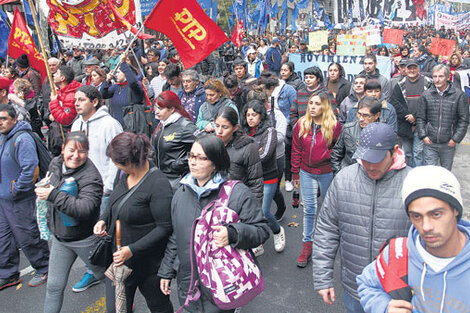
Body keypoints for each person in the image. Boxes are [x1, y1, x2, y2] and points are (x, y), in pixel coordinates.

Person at [158, 134, 270, 313]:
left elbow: (262, 230)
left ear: (216, 162)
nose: (193, 162)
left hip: (221, 284)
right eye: (191, 156)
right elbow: (176, 235)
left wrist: (233, 234)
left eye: (201, 158)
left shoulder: (236, 193)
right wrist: (167, 271)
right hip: (188, 283)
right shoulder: (181, 193)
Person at [312, 122, 411, 313]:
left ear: (395, 151)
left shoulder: (413, 184)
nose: (370, 166)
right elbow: (327, 229)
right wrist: (323, 278)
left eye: (378, 159)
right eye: (366, 159)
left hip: (397, 295)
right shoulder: (344, 180)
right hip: (355, 289)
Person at [357, 165, 470, 313]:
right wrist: (383, 306)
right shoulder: (399, 253)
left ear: (456, 210)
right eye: (416, 216)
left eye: (436, 214)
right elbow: (366, 283)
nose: (426, 226)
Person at [94, 132, 174, 313]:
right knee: (118, 308)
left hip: (149, 264)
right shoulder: (124, 175)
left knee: (159, 306)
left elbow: (165, 227)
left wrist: (132, 250)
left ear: (131, 162)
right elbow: (116, 200)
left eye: (121, 165)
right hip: (121, 261)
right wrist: (103, 220)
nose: (119, 169)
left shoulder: (158, 183)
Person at [35, 132, 105, 312]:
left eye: (82, 151)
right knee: (54, 287)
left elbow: (85, 209)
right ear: (62, 150)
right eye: (71, 150)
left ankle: (124, 302)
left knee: (109, 278)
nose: (76, 155)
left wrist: (52, 195)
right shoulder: (55, 163)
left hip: (86, 239)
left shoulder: (91, 176)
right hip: (61, 239)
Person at [70, 86, 123, 291]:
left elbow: (116, 158)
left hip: (103, 190)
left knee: (102, 234)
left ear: (94, 102)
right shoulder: (77, 124)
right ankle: (92, 270)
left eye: (81, 99)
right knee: (85, 232)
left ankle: (113, 274)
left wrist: (108, 187)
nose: (76, 103)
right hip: (81, 189)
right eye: (75, 99)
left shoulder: (110, 124)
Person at [0, 104, 49, 290]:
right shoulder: (3, 138)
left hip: (19, 198)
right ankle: (8, 274)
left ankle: (44, 267)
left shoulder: (22, 139)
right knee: (3, 238)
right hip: (3, 198)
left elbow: (30, 169)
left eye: (4, 118)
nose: (0, 122)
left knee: (27, 235)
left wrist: (16, 189)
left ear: (14, 119)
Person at [291, 92, 341, 267]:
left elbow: (339, 148)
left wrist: (327, 154)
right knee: (309, 210)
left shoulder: (334, 126)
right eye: (310, 103)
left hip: (326, 172)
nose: (312, 106)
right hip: (306, 172)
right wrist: (295, 174)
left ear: (325, 106)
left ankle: (327, 244)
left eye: (317, 104)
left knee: (328, 210)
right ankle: (307, 246)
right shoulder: (301, 124)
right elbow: (296, 150)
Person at [243, 100, 286, 253]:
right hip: (249, 177)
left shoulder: (270, 131)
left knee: (264, 211)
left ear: (261, 116)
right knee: (251, 211)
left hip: (268, 177)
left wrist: (247, 157)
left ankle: (277, 230)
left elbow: (266, 154)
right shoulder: (244, 132)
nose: (250, 118)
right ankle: (258, 241)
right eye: (248, 115)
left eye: (254, 115)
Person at [416, 64, 469, 170]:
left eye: (441, 76)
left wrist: (455, 138)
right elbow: (421, 117)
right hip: (430, 142)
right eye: (435, 76)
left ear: (448, 77)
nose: (437, 80)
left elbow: (464, 119)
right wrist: (423, 136)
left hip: (448, 143)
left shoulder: (458, 95)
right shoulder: (426, 95)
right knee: (430, 171)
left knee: (445, 172)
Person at [214, 106, 263, 202]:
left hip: (237, 201)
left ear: (235, 127)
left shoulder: (248, 148)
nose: (219, 131)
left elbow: (256, 183)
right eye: (216, 126)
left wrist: (254, 211)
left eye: (225, 127)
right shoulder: (210, 143)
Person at [390, 59, 433, 167]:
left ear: (419, 69)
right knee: (407, 153)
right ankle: (408, 172)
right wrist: (407, 116)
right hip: (405, 124)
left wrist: (416, 117)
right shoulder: (400, 85)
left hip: (422, 124)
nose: (412, 70)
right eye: (409, 68)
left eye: (414, 68)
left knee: (418, 153)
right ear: (405, 69)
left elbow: (431, 102)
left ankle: (417, 175)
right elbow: (395, 102)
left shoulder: (428, 82)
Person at [152, 91, 197, 190]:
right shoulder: (162, 124)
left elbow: (203, 147)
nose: (156, 111)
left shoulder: (185, 126)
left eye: (160, 108)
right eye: (156, 108)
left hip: (178, 180)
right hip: (161, 177)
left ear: (171, 109)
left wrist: (179, 164)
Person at [331, 96, 382, 175]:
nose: (361, 119)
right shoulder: (348, 129)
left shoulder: (384, 134)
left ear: (377, 115)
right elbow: (336, 153)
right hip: (348, 175)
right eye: (359, 114)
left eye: (366, 115)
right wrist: (339, 173)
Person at [49, 65, 83, 156]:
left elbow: (65, 119)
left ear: (63, 78)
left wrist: (54, 102)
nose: (54, 75)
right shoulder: (62, 91)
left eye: (57, 73)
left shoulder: (71, 95)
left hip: (67, 136)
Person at [102, 54, 144, 126]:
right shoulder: (116, 87)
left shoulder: (136, 86)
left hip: (132, 126)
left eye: (118, 72)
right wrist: (107, 81)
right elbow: (103, 94)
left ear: (126, 73)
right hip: (117, 125)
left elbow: (133, 82)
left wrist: (123, 63)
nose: (116, 75)